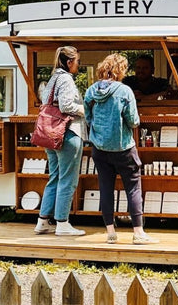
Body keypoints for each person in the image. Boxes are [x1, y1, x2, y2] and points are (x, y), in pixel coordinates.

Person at [84, 53, 158, 245]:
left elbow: (88, 117)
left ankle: (110, 232)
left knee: (106, 188)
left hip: (99, 148)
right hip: (123, 147)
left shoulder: (91, 91)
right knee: (133, 188)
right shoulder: (124, 91)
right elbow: (133, 121)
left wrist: (99, 131)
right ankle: (138, 232)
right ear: (120, 70)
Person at [34, 46, 87, 236]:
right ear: (69, 62)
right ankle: (62, 223)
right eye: (77, 62)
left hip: (51, 134)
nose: (78, 65)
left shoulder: (53, 79)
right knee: (68, 179)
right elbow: (66, 106)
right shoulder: (65, 79)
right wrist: (85, 109)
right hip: (67, 133)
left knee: (54, 177)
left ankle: (43, 221)